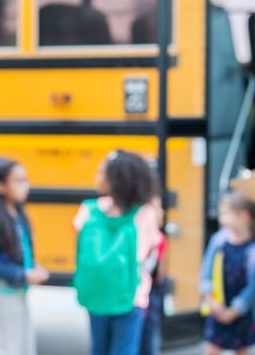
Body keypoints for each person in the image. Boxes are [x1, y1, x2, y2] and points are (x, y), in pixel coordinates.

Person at [73, 150, 158, 355]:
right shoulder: (145, 214)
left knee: (98, 348)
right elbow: (149, 254)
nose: (97, 177)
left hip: (96, 294)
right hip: (132, 297)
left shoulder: (88, 210)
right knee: (125, 349)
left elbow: (79, 250)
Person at [0, 158, 50, 355]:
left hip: (17, 290)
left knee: (25, 345)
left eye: (26, 179)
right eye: (18, 180)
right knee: (11, 347)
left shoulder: (16, 212)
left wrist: (33, 266)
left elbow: (22, 249)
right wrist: (24, 275)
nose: (26, 185)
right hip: (2, 292)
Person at [199, 192, 255, 355]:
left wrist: (234, 311)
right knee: (211, 348)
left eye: (226, 213)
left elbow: (253, 289)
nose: (221, 219)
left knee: (241, 349)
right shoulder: (218, 241)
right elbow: (206, 273)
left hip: (241, 313)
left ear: (243, 216)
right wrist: (212, 302)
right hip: (218, 307)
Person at [140, 194, 168, 355]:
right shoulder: (157, 238)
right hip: (150, 290)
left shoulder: (158, 238)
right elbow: (159, 273)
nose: (162, 212)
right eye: (157, 207)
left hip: (150, 290)